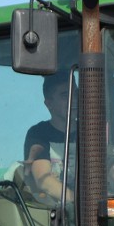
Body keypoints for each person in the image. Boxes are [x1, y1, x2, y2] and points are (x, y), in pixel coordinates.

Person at [24, 72, 76, 203]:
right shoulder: (38, 134)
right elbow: (44, 181)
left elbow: (112, 167)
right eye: (65, 96)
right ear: (49, 103)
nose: (73, 100)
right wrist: (77, 201)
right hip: (55, 213)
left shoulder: (91, 132)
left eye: (75, 93)